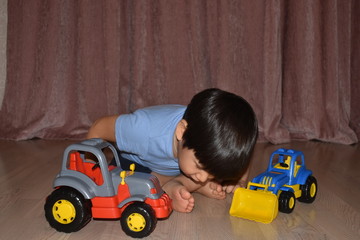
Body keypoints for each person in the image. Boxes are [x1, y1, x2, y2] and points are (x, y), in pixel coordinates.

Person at [87, 88, 258, 213]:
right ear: (181, 131)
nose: (203, 177)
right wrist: (87, 166)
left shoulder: (202, 144)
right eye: (199, 165)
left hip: (176, 165)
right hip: (138, 163)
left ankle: (182, 183)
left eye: (209, 174)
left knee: (219, 164)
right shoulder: (143, 130)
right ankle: (174, 187)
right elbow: (99, 127)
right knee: (131, 187)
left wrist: (239, 180)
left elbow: (243, 154)